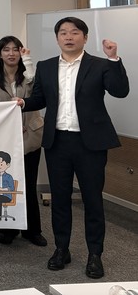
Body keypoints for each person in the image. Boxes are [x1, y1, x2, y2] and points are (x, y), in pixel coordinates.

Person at [21, 17, 129, 279]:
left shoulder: (100, 64)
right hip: (57, 142)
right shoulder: (46, 66)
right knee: (60, 199)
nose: (68, 37)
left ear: (85, 37)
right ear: (57, 38)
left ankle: (95, 255)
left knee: (93, 200)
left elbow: (120, 91)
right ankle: (61, 249)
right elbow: (39, 98)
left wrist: (114, 59)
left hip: (90, 143)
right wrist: (23, 103)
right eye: (63, 33)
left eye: (75, 32)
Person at [0, 36, 46, 248]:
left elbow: (39, 95)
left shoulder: (30, 75)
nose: (11, 53)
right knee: (6, 186)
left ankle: (33, 231)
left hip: (30, 135)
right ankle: (8, 229)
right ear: (0, 53)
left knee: (29, 185)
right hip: (4, 139)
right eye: (6, 49)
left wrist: (28, 62)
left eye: (15, 49)